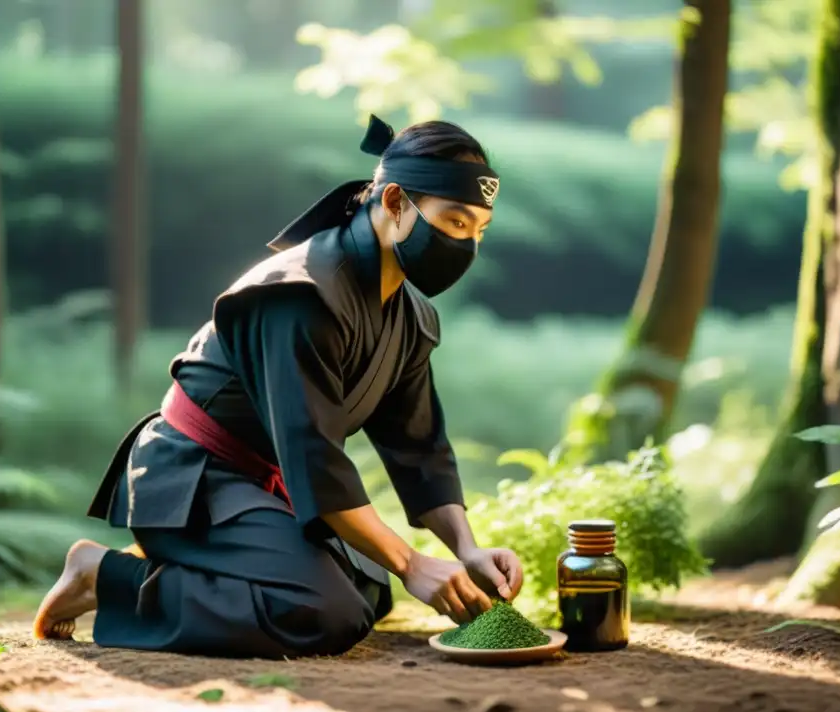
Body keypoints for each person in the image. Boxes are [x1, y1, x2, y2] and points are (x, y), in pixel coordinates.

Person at [31, 115, 523, 659]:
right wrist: (412, 562)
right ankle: (103, 576)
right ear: (394, 203)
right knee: (323, 610)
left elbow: (419, 449)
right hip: (192, 481)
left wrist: (466, 549)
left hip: (272, 487)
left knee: (367, 593)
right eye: (454, 223)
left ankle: (211, 563)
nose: (467, 244)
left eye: (479, 229)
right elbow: (312, 453)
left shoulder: (410, 315)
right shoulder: (301, 293)